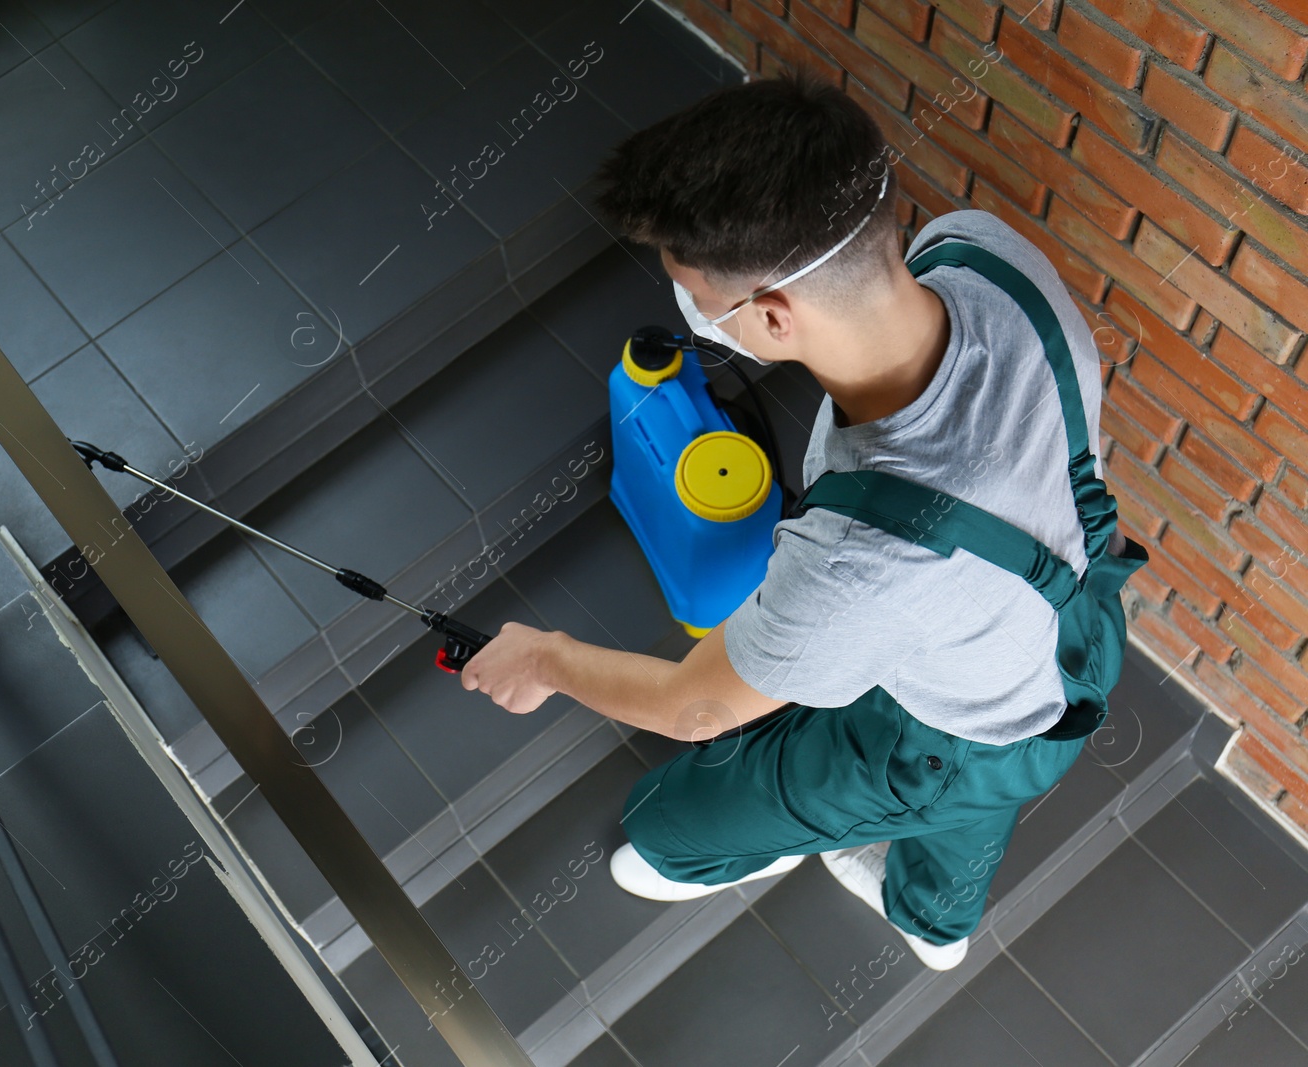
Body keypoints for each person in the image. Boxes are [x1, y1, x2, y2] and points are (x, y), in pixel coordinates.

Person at [459, 70, 1144, 972]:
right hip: (1078, 624)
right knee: (966, 826)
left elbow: (693, 707)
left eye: (692, 291)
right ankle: (937, 925)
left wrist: (543, 658)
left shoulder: (857, 565)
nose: (690, 310)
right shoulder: (983, 253)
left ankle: (798, 848)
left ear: (775, 315)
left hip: (941, 739)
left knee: (669, 827)